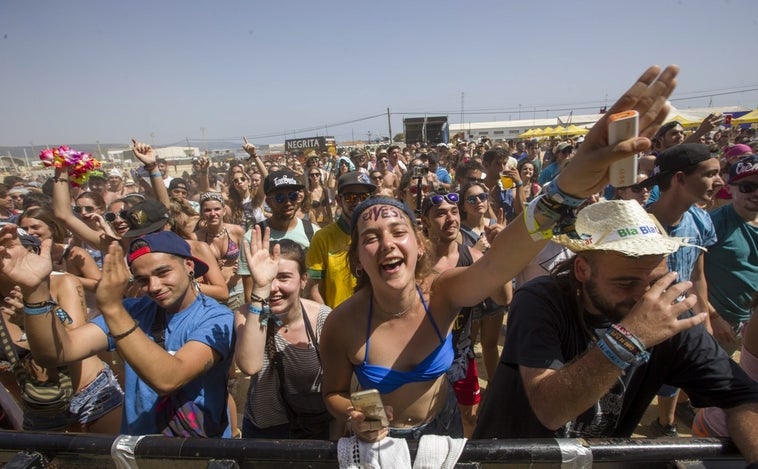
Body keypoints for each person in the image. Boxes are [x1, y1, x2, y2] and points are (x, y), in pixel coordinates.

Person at [319, 64, 685, 442]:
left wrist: (566, 189)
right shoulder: (341, 324)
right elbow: (333, 391)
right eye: (371, 238)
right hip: (380, 443)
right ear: (358, 257)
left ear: (419, 243)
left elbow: (498, 262)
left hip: (443, 431)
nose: (388, 243)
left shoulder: (442, 294)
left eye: (398, 231)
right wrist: (354, 413)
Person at [472, 200, 758, 465]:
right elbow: (550, 410)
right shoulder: (541, 299)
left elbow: (742, 398)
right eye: (626, 283)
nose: (644, 298)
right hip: (513, 459)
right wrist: (630, 338)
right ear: (583, 270)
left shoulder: (667, 314)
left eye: (656, 282)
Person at [3, 229, 235, 436]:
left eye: (163, 272)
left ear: (189, 265)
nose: (153, 287)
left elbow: (169, 379)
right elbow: (56, 353)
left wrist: (113, 308)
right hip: (136, 450)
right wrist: (35, 291)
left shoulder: (216, 318)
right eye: (142, 280)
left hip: (198, 453)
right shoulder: (133, 310)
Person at [0, 230, 123, 433]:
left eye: (14, 250)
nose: (10, 258)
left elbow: (74, 339)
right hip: (40, 411)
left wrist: (34, 316)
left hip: (91, 396)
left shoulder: (62, 282)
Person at [643, 142, 722, 436]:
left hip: (684, 320)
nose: (720, 181)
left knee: (675, 380)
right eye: (710, 173)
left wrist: (705, 317)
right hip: (645, 326)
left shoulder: (700, 219)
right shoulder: (640, 224)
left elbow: (698, 275)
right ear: (679, 179)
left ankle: (666, 425)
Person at [235, 234, 334, 439]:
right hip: (265, 429)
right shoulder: (247, 314)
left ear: (303, 280)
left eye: (283, 277)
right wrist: (259, 293)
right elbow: (250, 365)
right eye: (269, 278)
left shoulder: (323, 317)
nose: (274, 288)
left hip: (315, 425)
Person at [237, 170, 320, 302]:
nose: (288, 203)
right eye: (280, 198)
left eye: (292, 196)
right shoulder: (253, 238)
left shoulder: (313, 232)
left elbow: (317, 284)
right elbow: (250, 292)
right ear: (269, 202)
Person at [704, 154, 758, 354]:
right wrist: (714, 318)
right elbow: (690, 275)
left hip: (750, 321)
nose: (756, 193)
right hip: (717, 324)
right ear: (729, 188)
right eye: (747, 187)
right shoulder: (713, 224)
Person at [306, 172, 375, 308]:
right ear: (338, 200)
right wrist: (330, 321)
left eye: (364, 197)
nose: (358, 202)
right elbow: (314, 289)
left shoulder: (380, 234)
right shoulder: (322, 238)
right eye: (350, 197)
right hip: (336, 320)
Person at [195, 192, 245, 310]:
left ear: (224, 210)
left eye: (217, 209)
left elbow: (249, 258)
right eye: (207, 210)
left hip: (238, 290)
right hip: (212, 296)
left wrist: (242, 265)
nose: (213, 214)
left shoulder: (237, 231)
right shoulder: (196, 238)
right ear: (201, 213)